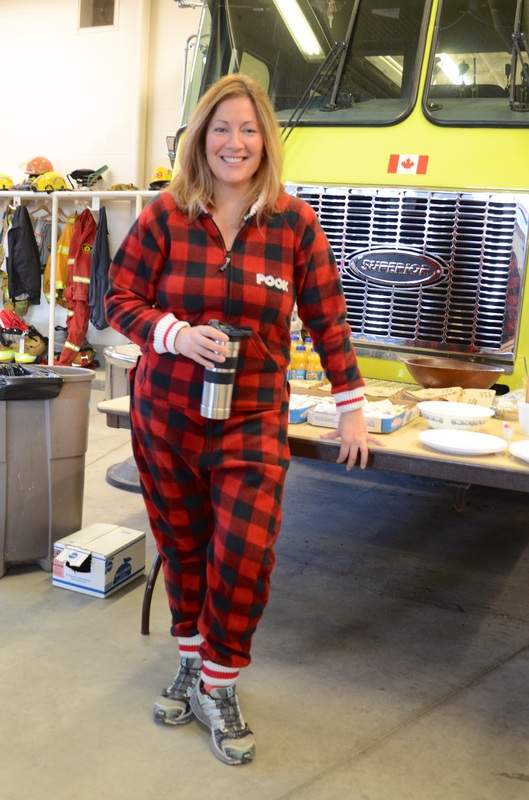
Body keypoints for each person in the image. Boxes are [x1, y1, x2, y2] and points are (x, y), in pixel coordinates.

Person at [105, 74, 379, 766]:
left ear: (266, 141)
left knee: (243, 555)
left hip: (251, 417)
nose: (235, 142)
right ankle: (193, 666)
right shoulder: (165, 215)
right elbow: (119, 298)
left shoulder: (294, 223)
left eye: (249, 129)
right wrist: (173, 333)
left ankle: (220, 683)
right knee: (184, 548)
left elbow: (328, 318)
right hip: (166, 413)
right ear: (201, 138)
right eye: (222, 128)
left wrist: (351, 406)